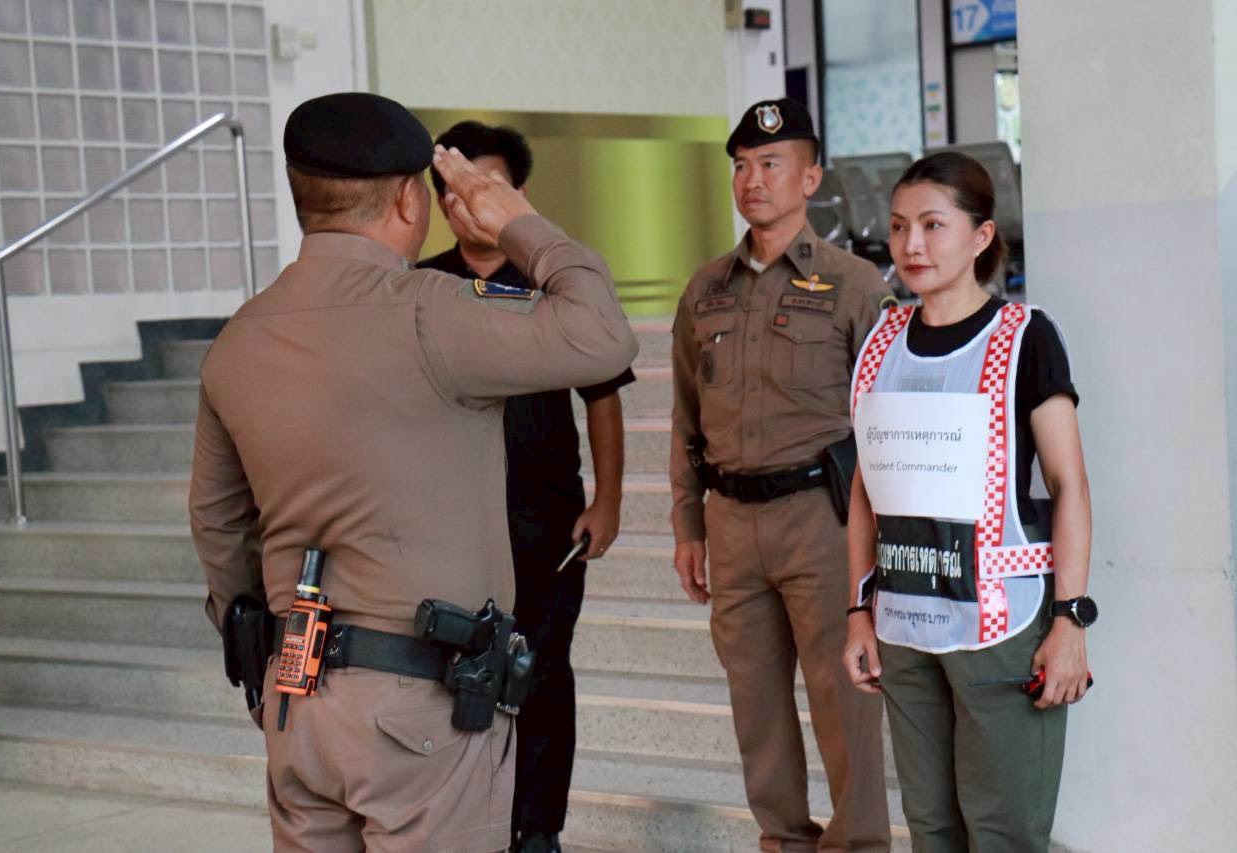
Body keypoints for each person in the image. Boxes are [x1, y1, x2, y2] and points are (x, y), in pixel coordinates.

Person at [188, 92, 638, 853]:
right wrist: (517, 220)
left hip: (296, 698)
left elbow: (219, 524)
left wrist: (263, 656)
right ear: (407, 199)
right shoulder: (432, 309)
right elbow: (602, 336)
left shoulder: (239, 337)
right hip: (420, 711)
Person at [843, 151, 1094, 853]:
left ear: (982, 236)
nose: (911, 244)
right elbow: (865, 493)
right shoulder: (880, 344)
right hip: (905, 622)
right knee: (931, 827)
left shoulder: (1024, 337)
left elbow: (1070, 485)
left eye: (933, 225)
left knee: (1004, 830)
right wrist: (857, 611)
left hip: (1002, 625)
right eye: (899, 226)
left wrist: (1070, 619)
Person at [669, 97, 892, 852]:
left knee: (844, 703)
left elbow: (883, 421)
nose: (752, 180)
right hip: (733, 523)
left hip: (823, 521)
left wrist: (880, 543)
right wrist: (688, 524)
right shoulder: (705, 289)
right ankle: (784, 841)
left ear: (810, 178)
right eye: (741, 165)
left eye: (770, 163)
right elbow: (686, 417)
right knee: (756, 710)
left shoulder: (854, 284)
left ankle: (859, 844)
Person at [416, 121, 634, 853]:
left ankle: (538, 829)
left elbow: (602, 393)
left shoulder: (558, 283)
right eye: (455, 191)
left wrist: (607, 500)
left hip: (546, 518)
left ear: (519, 195)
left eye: (489, 188)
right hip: (451, 522)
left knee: (539, 672)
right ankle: (471, 823)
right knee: (455, 677)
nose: (470, 204)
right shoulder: (422, 287)